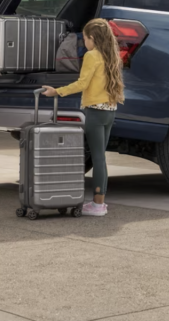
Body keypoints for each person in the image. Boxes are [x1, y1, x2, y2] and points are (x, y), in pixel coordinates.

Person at [42, 18, 124, 217]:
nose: (84, 43)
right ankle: (100, 202)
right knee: (101, 157)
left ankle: (97, 205)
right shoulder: (111, 56)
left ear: (92, 38)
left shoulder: (92, 56)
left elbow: (82, 83)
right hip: (109, 111)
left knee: (97, 157)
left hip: (95, 111)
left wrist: (57, 92)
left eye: (85, 38)